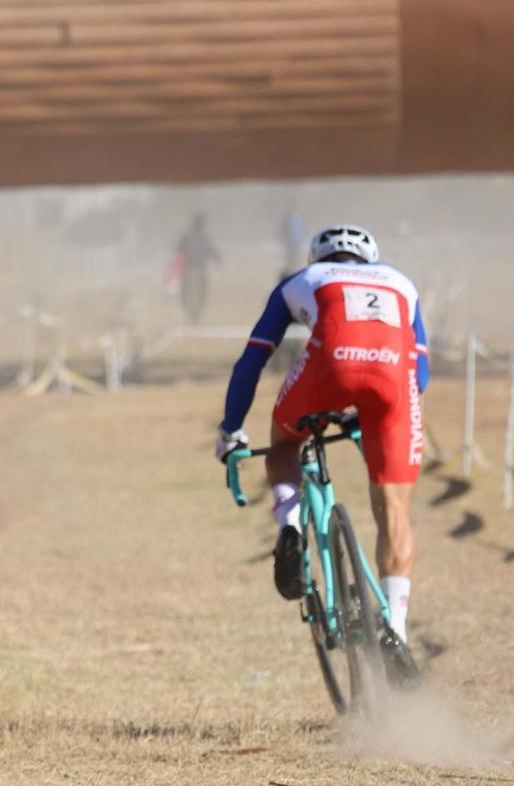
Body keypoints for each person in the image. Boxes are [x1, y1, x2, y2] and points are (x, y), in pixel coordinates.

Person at [214, 225, 430, 648]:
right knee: (394, 507)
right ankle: (396, 633)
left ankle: (289, 525)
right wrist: (366, 418)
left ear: (317, 258)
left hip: (329, 367)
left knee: (284, 445)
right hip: (393, 383)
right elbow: (419, 373)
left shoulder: (302, 281)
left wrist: (231, 429)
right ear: (371, 260)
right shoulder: (402, 283)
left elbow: (252, 359)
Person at [173, 212, 222, 324]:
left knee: (200, 291)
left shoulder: (203, 236)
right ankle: (190, 310)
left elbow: (211, 250)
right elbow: (178, 248)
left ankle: (195, 312)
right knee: (189, 290)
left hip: (198, 267)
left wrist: (218, 260)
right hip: (190, 267)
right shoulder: (189, 236)